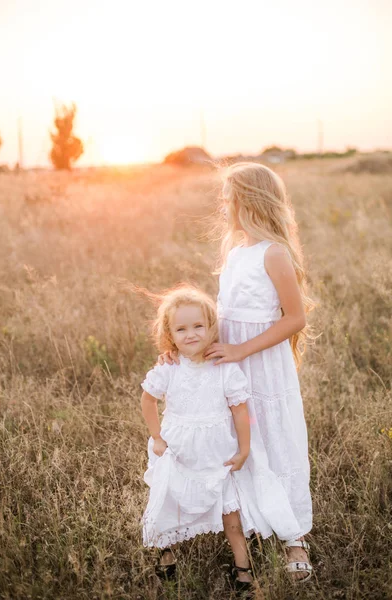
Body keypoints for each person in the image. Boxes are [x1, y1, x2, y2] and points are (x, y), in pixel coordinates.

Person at [159, 162, 314, 583]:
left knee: (276, 438)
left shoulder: (274, 253)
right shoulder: (235, 252)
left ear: (248, 199)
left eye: (228, 197)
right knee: (240, 438)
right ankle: (248, 517)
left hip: (262, 360)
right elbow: (218, 317)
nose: (223, 204)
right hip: (227, 359)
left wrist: (243, 350)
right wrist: (182, 351)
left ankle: (294, 535)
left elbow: (294, 317)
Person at [140, 285, 256, 595]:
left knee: (230, 513)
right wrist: (156, 437)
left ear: (211, 327)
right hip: (177, 449)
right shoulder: (170, 367)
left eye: (198, 326)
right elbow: (148, 400)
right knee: (169, 501)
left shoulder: (224, 367)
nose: (191, 334)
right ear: (170, 334)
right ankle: (166, 554)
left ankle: (243, 567)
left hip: (217, 452)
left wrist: (243, 449)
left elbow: (240, 411)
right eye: (181, 328)